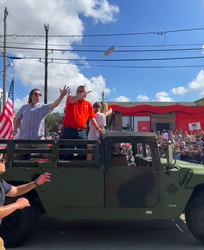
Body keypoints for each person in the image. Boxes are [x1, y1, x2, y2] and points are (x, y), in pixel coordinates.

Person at [0, 159, 50, 250]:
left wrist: (35, 183)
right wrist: (17, 205)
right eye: (0, 160)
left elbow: (16, 190)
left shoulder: (1, 183)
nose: (4, 162)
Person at [13, 86, 70, 160]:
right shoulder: (24, 107)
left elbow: (54, 104)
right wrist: (15, 129)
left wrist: (62, 95)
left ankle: (49, 171)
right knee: (15, 159)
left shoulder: (42, 107)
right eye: (36, 94)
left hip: (38, 138)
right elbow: (18, 118)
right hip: (24, 138)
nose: (38, 96)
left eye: (40, 95)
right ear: (31, 96)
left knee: (51, 156)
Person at [60, 84, 102, 161]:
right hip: (69, 130)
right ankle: (65, 170)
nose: (84, 94)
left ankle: (81, 170)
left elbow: (92, 117)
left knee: (83, 154)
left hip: (81, 132)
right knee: (66, 153)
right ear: (77, 92)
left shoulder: (88, 104)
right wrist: (83, 93)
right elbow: (71, 100)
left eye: (85, 92)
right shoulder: (71, 99)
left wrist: (98, 128)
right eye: (81, 91)